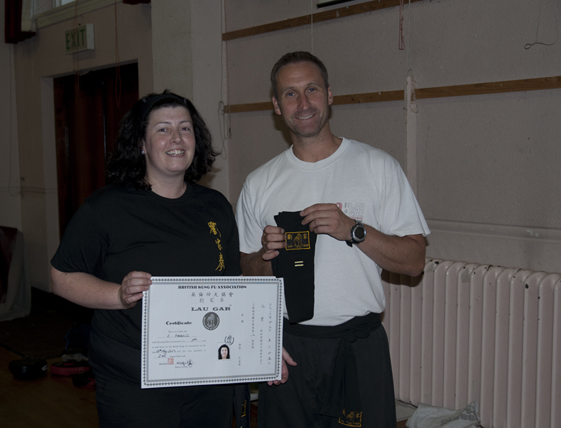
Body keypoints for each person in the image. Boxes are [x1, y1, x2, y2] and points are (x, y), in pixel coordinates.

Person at [235, 51, 430, 428]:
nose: (303, 103)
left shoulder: (377, 166)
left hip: (358, 347)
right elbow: (245, 271)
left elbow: (414, 261)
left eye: (311, 89)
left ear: (330, 94)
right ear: (276, 105)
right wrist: (266, 258)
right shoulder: (260, 182)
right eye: (290, 94)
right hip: (286, 349)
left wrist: (354, 231)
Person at [50, 91, 242, 428]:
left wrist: (260, 349)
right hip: (134, 378)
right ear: (141, 142)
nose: (176, 138)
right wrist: (118, 295)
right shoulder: (106, 207)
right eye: (162, 129)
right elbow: (61, 277)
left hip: (208, 373)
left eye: (185, 128)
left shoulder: (216, 207)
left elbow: (233, 288)